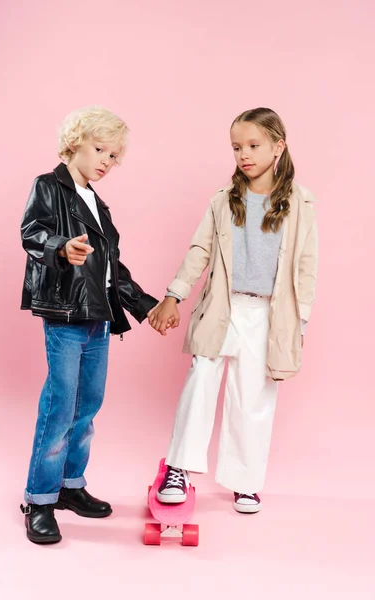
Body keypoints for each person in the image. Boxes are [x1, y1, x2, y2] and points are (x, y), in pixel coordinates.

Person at [149, 107, 318, 513]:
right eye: (237, 147)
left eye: (254, 145)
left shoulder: (300, 202)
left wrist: (301, 322)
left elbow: (305, 265)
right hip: (223, 307)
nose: (244, 154)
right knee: (201, 382)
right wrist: (174, 294)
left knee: (254, 397)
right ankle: (179, 468)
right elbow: (199, 250)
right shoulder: (224, 200)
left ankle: (246, 481)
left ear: (278, 146)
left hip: (269, 316)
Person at [20, 106, 158, 543]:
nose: (106, 161)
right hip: (64, 314)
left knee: (88, 405)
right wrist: (62, 248)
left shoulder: (97, 203)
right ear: (75, 141)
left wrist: (147, 305)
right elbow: (32, 233)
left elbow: (112, 268)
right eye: (100, 149)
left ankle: (70, 487)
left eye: (114, 156)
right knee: (60, 404)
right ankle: (40, 499)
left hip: (98, 318)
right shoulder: (50, 186)